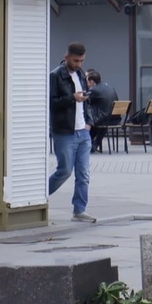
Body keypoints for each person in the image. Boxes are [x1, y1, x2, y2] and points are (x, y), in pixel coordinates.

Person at [49, 42, 96, 223]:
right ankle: (38, 196)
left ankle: (79, 210)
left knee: (83, 174)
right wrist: (71, 98)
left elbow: (86, 102)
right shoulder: (56, 76)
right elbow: (51, 102)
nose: (78, 64)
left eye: (82, 61)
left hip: (82, 131)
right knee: (65, 170)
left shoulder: (81, 74)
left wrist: (89, 123)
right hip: (64, 131)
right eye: (76, 60)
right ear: (66, 57)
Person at [85, 70, 119, 153]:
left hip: (103, 120)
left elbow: (85, 102)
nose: (86, 83)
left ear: (92, 81)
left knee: (87, 118)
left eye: (87, 81)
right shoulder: (109, 87)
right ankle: (95, 144)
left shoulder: (94, 90)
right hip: (114, 119)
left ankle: (89, 144)